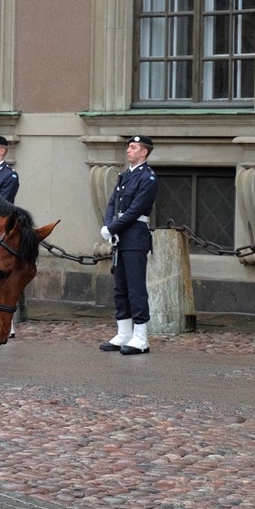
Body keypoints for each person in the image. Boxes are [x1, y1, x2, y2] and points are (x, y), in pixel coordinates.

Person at [98, 135, 157, 355]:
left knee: (135, 287)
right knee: (119, 286)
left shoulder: (148, 178)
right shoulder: (125, 176)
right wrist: (109, 224)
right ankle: (124, 332)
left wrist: (113, 228)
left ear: (144, 152)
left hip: (134, 237)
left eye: (133, 147)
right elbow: (113, 203)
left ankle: (140, 337)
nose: (128, 150)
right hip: (121, 236)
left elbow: (135, 210)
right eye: (128, 147)